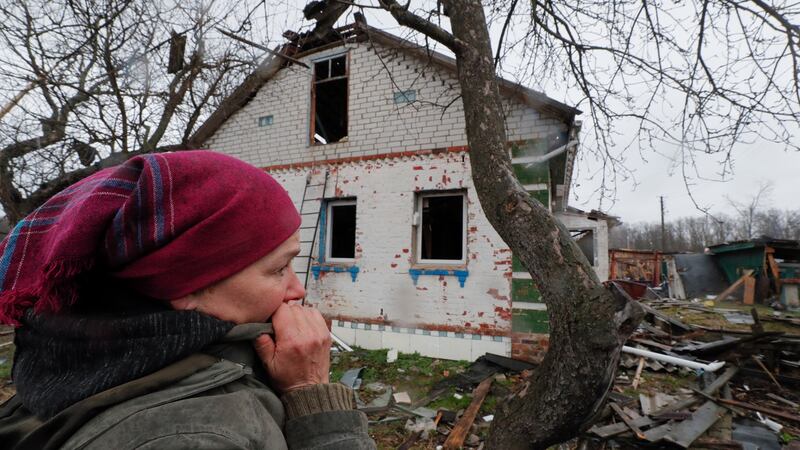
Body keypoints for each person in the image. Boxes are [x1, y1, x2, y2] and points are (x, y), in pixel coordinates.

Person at [0, 150, 376, 449]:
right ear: (186, 286)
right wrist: (312, 396)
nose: (298, 290)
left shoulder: (73, 365)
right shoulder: (194, 435)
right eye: (279, 269)